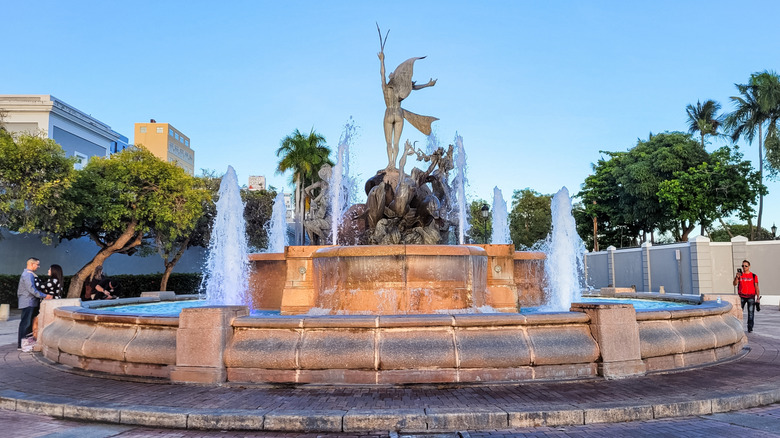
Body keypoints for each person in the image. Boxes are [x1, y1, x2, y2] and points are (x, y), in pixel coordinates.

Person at [17, 257, 48, 350]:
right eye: (37, 264)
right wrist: (44, 295)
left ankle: (25, 343)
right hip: (28, 302)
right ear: (31, 264)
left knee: (28, 323)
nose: (38, 266)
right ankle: (22, 344)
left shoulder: (29, 274)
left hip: (30, 302)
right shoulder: (28, 275)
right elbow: (31, 289)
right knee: (25, 323)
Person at [733, 259, 760, 333]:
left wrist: (758, 298)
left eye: (745, 266)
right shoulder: (740, 275)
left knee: (751, 313)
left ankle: (750, 328)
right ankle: (738, 327)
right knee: (739, 312)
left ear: (749, 266)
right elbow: (735, 284)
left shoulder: (753, 276)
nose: (744, 267)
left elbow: (756, 287)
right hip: (742, 296)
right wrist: (736, 277)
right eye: (742, 266)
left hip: (751, 296)